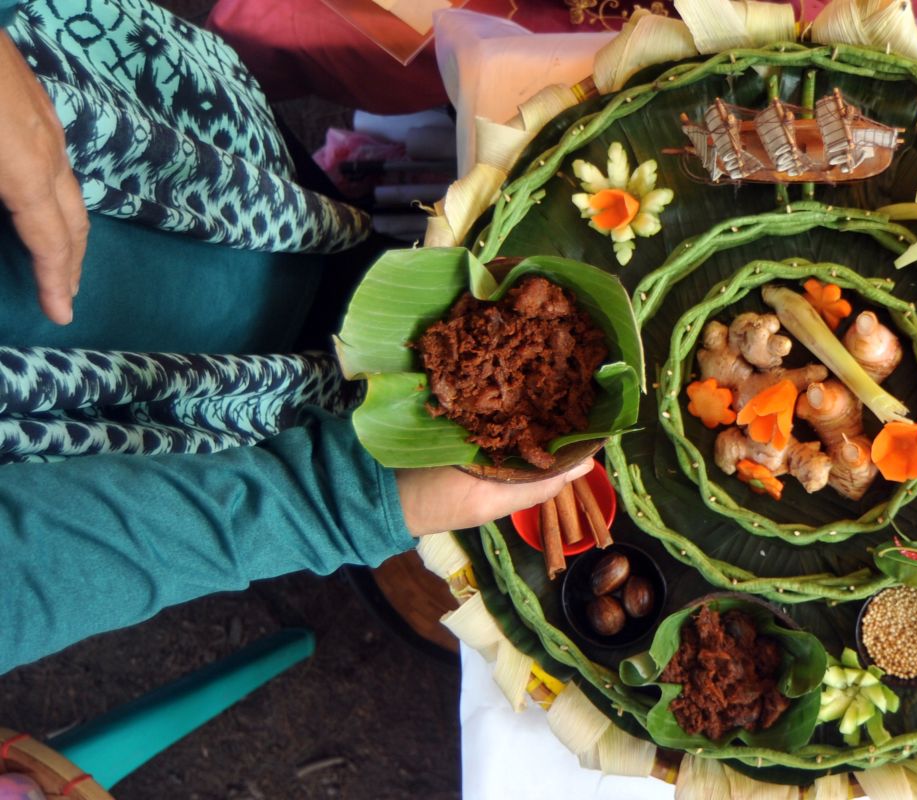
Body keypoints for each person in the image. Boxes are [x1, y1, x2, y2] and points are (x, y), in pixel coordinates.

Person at [0, 0, 584, 676]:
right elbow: (34, 571)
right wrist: (344, 501)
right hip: (115, 398)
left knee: (326, 238)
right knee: (335, 356)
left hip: (137, 150)